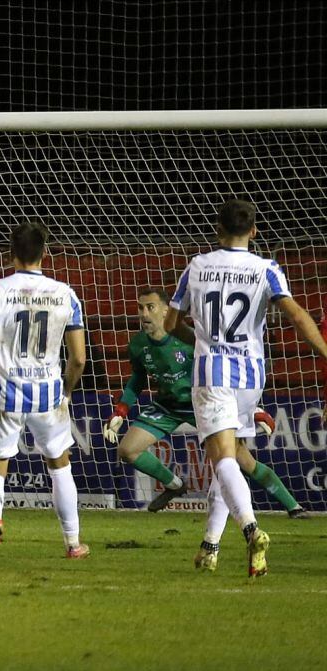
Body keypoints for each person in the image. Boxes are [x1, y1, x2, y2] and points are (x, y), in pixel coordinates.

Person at [166, 199, 327, 576]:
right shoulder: (266, 269)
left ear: (217, 229)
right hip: (251, 376)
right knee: (233, 455)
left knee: (222, 460)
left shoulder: (197, 266)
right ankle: (209, 547)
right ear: (254, 231)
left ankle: (252, 529)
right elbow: (298, 315)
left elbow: (172, 322)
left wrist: (201, 341)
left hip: (213, 374)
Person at [104, 286, 308, 517]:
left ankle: (293, 506)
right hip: (167, 406)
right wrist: (121, 410)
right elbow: (138, 378)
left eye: (150, 307)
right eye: (140, 308)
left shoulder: (191, 339)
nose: (144, 314)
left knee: (242, 461)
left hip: (202, 404)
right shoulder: (139, 344)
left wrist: (251, 410)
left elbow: (223, 372)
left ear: (165, 311)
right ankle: (174, 485)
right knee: (128, 449)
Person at [0, 221, 90, 561]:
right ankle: (73, 544)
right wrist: (67, 393)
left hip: (6, 395)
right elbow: (79, 358)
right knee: (60, 466)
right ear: (44, 253)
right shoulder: (66, 294)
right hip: (49, 397)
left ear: (11, 253)